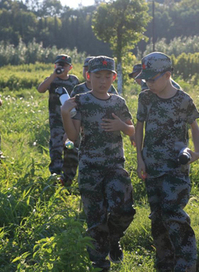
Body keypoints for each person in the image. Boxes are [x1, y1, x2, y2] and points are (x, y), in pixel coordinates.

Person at [61, 56, 135, 271]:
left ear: (114, 77)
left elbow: (133, 130)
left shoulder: (118, 102)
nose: (102, 81)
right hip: (90, 167)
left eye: (107, 76)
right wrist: (65, 113)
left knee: (124, 210)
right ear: (88, 76)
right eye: (97, 76)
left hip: (115, 166)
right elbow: (74, 136)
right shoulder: (80, 100)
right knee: (95, 219)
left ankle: (114, 238)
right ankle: (99, 262)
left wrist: (122, 125)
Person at [135, 52, 199, 272]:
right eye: (147, 79)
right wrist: (140, 160)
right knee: (157, 217)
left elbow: (194, 125)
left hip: (176, 167)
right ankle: (164, 263)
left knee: (174, 215)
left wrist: (197, 151)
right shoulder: (145, 97)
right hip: (151, 166)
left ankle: (185, 265)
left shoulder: (183, 99)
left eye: (153, 79)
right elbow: (139, 127)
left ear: (167, 75)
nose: (149, 83)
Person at [37, 54, 79, 186]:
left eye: (64, 65)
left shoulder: (73, 81)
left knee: (70, 147)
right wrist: (53, 76)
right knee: (56, 148)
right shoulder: (52, 80)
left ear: (70, 67)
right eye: (58, 65)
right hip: (56, 121)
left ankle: (68, 178)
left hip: (71, 121)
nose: (61, 67)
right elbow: (40, 89)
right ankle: (55, 176)